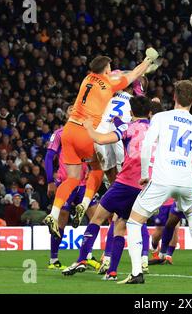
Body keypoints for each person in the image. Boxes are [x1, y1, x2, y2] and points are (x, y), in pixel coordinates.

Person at [44, 50, 160, 239]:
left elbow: (121, 75)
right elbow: (131, 75)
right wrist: (147, 61)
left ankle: (53, 214)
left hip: (68, 130)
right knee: (97, 170)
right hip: (86, 132)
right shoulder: (109, 84)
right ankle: (86, 202)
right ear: (106, 70)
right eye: (110, 68)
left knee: (72, 179)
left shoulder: (87, 79)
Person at [121, 80, 192, 284]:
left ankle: (137, 273)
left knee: (134, 222)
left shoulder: (161, 118)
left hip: (163, 179)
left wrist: (145, 174)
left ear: (174, 97)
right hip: (186, 181)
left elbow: (146, 147)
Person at [62, 96, 152, 281]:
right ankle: (112, 272)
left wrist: (88, 127)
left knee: (97, 217)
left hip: (124, 183)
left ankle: (81, 260)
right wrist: (116, 119)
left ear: (131, 112)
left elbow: (102, 139)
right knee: (120, 226)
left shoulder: (128, 128)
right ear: (149, 112)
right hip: (144, 187)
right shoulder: (154, 130)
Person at [44, 105, 100, 270]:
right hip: (66, 183)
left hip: (83, 184)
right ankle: (53, 260)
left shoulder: (88, 133)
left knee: (96, 216)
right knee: (60, 222)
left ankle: (87, 255)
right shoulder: (61, 133)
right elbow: (49, 157)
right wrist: (50, 181)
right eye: (69, 108)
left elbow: (92, 158)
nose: (73, 109)